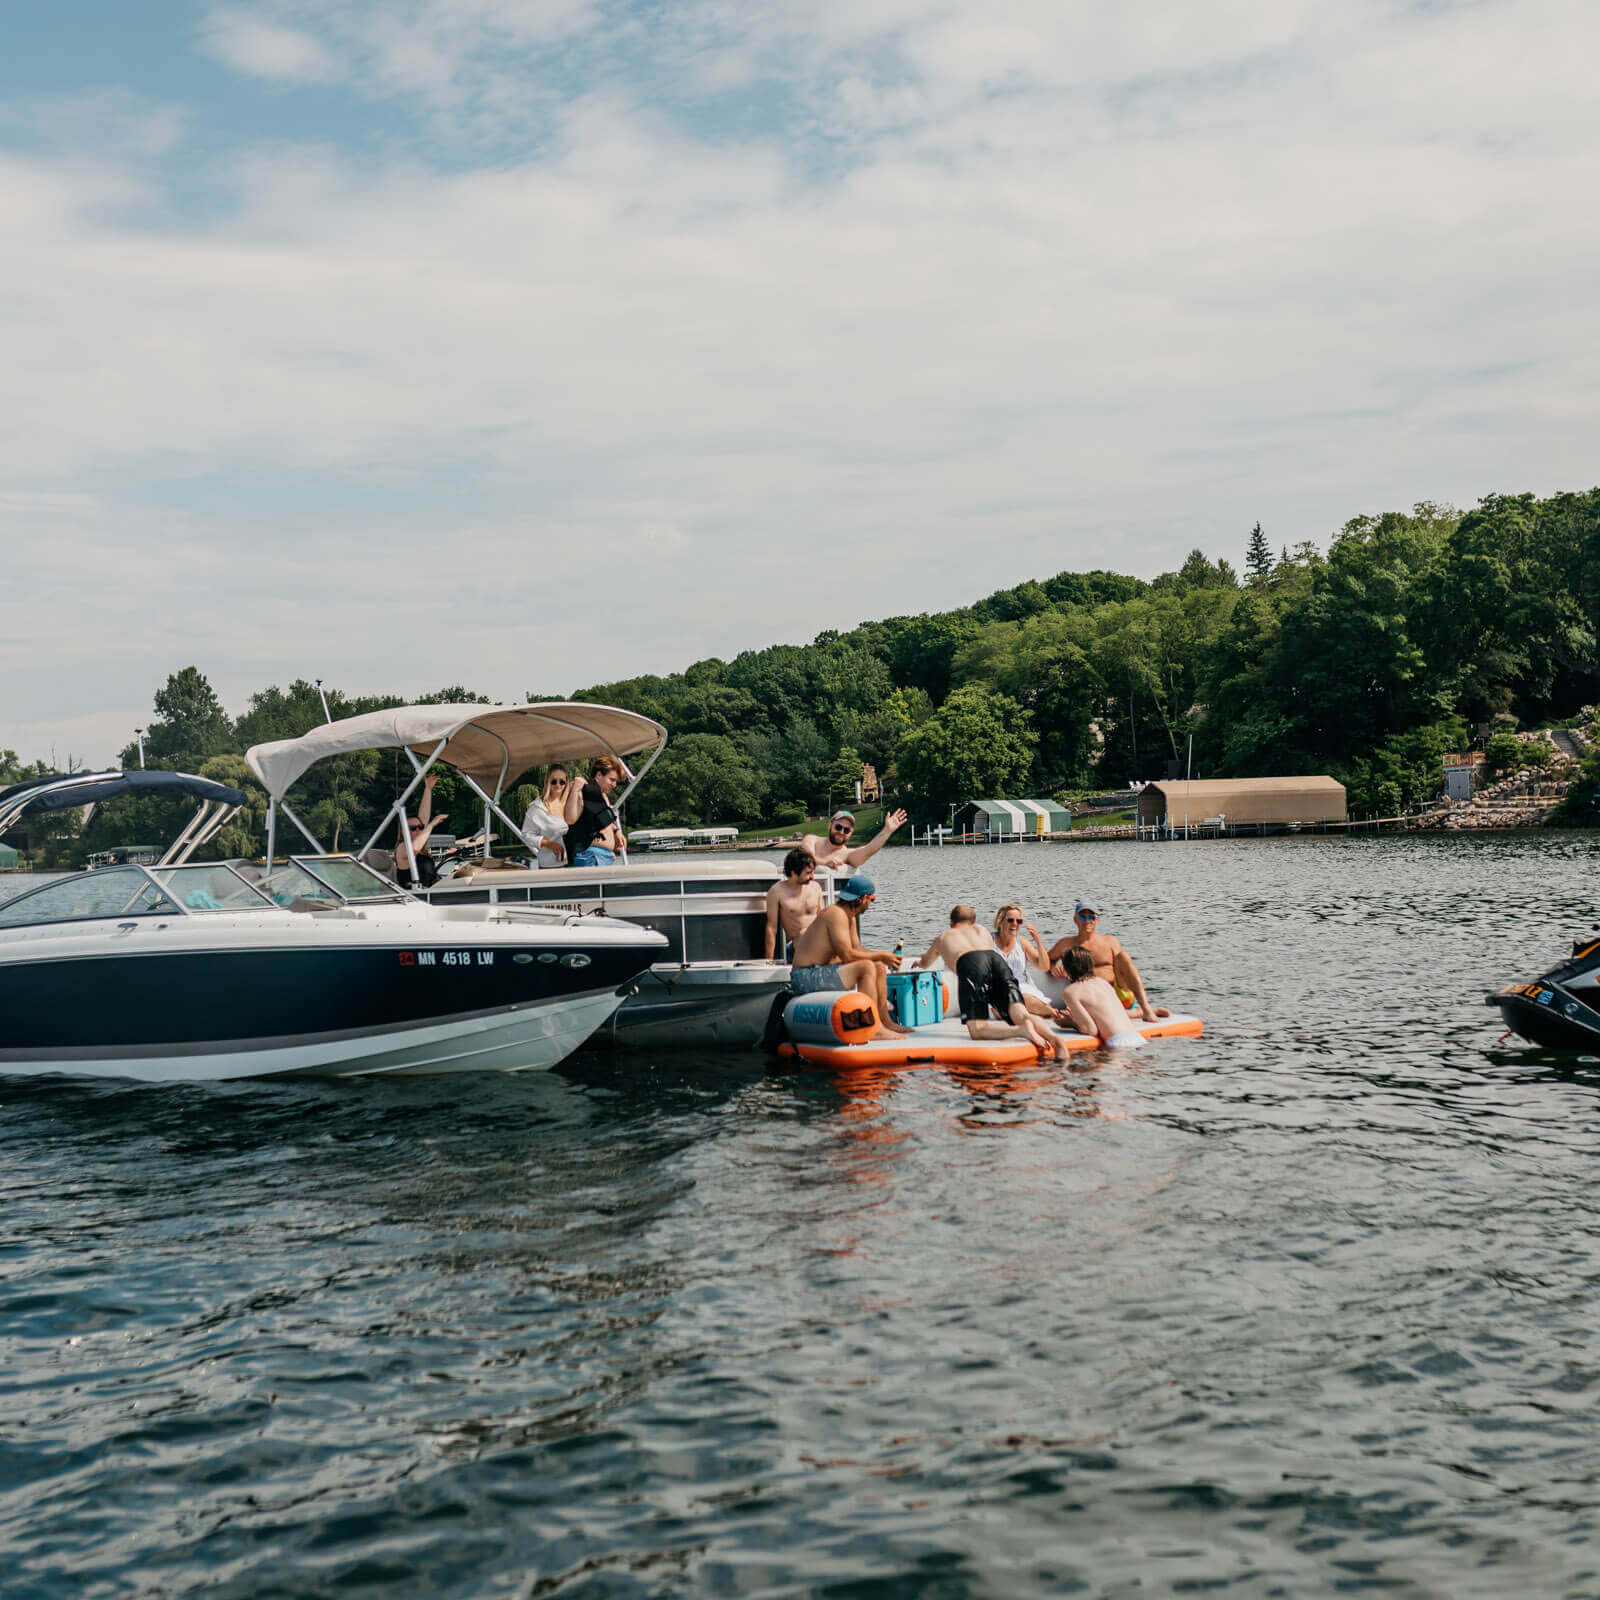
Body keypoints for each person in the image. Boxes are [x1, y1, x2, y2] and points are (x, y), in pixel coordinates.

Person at [916, 906, 1064, 1059]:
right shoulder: (981, 930)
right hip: (996, 960)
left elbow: (926, 962)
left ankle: (1021, 1031)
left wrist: (919, 963)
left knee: (978, 1031)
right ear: (973, 922)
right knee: (1021, 1013)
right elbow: (986, 962)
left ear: (951, 923)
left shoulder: (943, 937)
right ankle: (1055, 1039)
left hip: (971, 963)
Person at [788, 873, 908, 1039]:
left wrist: (884, 958)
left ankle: (885, 1021)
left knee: (878, 965)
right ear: (863, 898)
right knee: (866, 967)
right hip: (805, 976)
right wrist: (882, 955)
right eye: (871, 900)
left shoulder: (849, 916)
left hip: (820, 971)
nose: (870, 904)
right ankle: (874, 1028)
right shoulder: (835, 914)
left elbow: (857, 948)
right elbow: (847, 956)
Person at [1046, 898, 1170, 1022]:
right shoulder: (1065, 944)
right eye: (1083, 917)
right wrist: (1054, 969)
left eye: (1091, 917)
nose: (1087, 921)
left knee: (1124, 956)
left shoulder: (1110, 941)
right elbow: (1047, 960)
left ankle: (1146, 1009)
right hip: (1089, 996)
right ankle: (1138, 1013)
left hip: (1117, 994)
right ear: (1075, 920)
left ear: (1097, 920)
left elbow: (1123, 969)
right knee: (1079, 1016)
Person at [1056, 948, 1146, 1049]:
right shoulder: (1103, 983)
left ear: (1066, 967)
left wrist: (1070, 1023)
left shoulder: (1070, 992)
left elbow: (1091, 1030)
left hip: (1117, 1042)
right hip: (1138, 1038)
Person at [992, 903, 1057, 1019]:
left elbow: (1044, 967)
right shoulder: (988, 941)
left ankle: (1054, 1014)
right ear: (1000, 921)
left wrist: (1037, 940)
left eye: (1019, 921)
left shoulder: (1022, 942)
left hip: (1022, 987)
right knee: (997, 1009)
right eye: (1010, 920)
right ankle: (1039, 1014)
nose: (1015, 924)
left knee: (1022, 998)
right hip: (998, 988)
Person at [563, 755, 627, 867]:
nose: (614, 785)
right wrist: (575, 790)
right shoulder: (583, 791)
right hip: (591, 856)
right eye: (612, 780)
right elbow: (570, 819)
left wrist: (616, 831)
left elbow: (602, 819)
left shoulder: (602, 797)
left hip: (604, 856)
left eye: (616, 781)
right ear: (599, 775)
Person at [801, 807, 909, 871]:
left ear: (850, 833)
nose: (841, 832)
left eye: (846, 830)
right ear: (830, 825)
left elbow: (869, 849)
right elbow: (806, 858)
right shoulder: (812, 840)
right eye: (838, 827)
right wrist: (826, 863)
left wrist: (887, 831)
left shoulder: (848, 855)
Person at [394, 770, 450, 890]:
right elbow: (414, 848)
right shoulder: (402, 848)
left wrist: (428, 788)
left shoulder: (421, 848)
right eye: (413, 828)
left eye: (420, 828)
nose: (418, 831)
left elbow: (423, 818)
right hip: (417, 897)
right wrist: (432, 824)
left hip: (433, 890)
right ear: (403, 832)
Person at [764, 847, 822, 960]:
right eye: (808, 873)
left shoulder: (815, 888)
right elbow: (771, 928)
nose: (813, 877)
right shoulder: (776, 892)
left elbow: (822, 919)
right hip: (796, 946)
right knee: (803, 933)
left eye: (813, 872)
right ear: (793, 872)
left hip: (818, 943)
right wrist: (769, 960)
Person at [520, 764, 570, 868]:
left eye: (562, 782)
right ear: (547, 782)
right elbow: (526, 835)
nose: (558, 785)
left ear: (566, 783)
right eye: (554, 781)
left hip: (574, 862)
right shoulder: (537, 807)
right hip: (550, 865)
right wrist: (548, 844)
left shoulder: (571, 804)